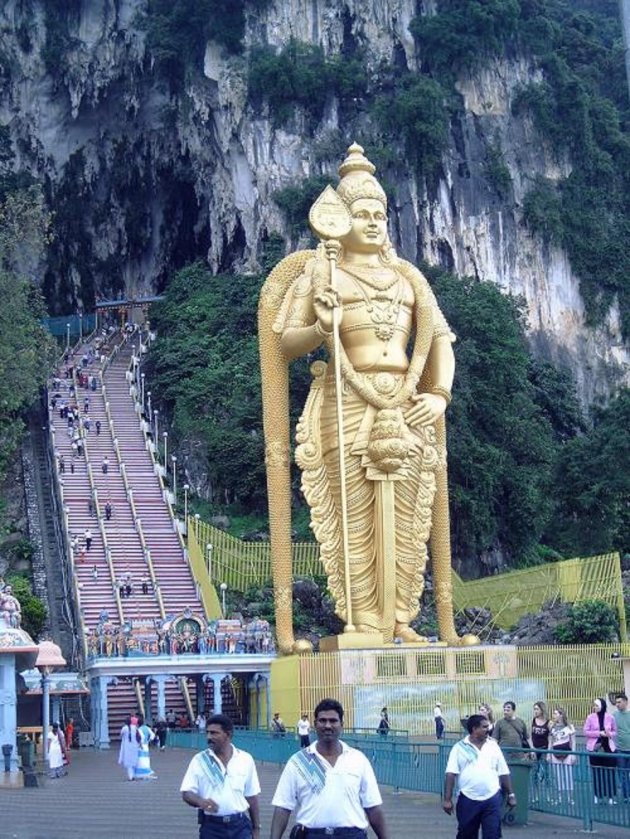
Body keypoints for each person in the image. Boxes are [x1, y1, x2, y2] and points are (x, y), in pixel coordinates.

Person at [260, 142, 464, 651]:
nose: (372, 222)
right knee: (352, 514)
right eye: (361, 213)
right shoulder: (321, 272)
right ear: (339, 220)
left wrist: (438, 394)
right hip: (344, 401)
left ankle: (400, 619)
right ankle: (363, 622)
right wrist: (320, 325)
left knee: (411, 513)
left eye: (379, 213)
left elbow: (440, 340)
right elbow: (283, 341)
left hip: (407, 401)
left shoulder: (409, 278)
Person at [270, 698, 389, 839]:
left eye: (333, 721)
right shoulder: (298, 762)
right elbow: (283, 808)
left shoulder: (358, 760)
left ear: (342, 725)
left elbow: (373, 808)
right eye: (322, 720)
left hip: (351, 835)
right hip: (310, 835)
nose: (328, 725)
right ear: (314, 724)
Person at [180, 713, 261, 839]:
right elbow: (186, 793)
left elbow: (252, 796)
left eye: (214, 733)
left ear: (228, 735)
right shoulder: (199, 760)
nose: (208, 737)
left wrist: (256, 828)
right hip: (212, 828)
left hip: (240, 827)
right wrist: (201, 802)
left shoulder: (245, 759)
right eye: (207, 732)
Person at [443, 714, 515, 838]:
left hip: (492, 799)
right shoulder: (459, 748)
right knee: (466, 835)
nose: (488, 729)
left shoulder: (493, 746)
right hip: (468, 800)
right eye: (484, 727)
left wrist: (511, 795)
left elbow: (503, 772)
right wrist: (447, 799)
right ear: (474, 729)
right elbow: (450, 774)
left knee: (493, 835)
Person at [584, 697, 617, 803]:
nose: (595, 707)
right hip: (595, 748)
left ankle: (611, 796)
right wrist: (598, 733)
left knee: (610, 772)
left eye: (597, 705)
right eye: (594, 705)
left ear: (602, 706)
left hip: (609, 748)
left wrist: (609, 734)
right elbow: (586, 731)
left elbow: (615, 731)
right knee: (597, 772)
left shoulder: (610, 717)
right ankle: (598, 795)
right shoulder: (590, 717)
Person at [548, 708, 576, 804]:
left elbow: (573, 741)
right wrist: (549, 753)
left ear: (561, 715)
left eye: (555, 713)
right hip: (555, 753)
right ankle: (559, 797)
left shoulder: (569, 726)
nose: (553, 715)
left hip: (567, 752)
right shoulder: (552, 727)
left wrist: (573, 754)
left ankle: (570, 797)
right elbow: (550, 741)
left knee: (568, 775)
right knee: (557, 776)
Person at [614, 693, 630, 801]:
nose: (617, 704)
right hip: (619, 749)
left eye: (619, 702)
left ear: (626, 702)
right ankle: (626, 796)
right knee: (622, 774)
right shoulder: (614, 715)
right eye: (616, 703)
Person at [530, 701, 550, 788]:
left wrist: (549, 751)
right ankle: (536, 794)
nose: (535, 711)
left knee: (545, 771)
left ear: (542, 710)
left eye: (537, 709)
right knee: (534, 771)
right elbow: (530, 735)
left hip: (544, 749)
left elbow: (550, 738)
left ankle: (548, 793)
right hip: (535, 748)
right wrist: (532, 749)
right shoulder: (533, 720)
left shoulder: (548, 722)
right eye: (534, 709)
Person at [134, 714, 157, 780]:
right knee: (146, 760)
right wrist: (148, 740)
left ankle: (141, 774)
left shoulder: (139, 729)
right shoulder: (147, 728)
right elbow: (152, 735)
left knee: (141, 760)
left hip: (140, 746)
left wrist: (140, 743)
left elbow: (141, 737)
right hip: (146, 746)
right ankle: (147, 773)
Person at [118, 715, 141, 781]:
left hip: (127, 746)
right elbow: (138, 736)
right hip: (134, 746)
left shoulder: (124, 728)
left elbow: (121, 735)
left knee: (128, 763)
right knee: (134, 761)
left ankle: (130, 776)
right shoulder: (135, 727)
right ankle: (133, 775)